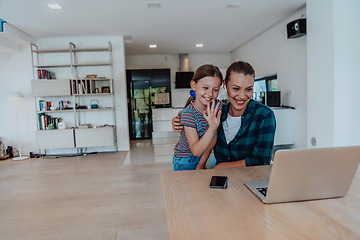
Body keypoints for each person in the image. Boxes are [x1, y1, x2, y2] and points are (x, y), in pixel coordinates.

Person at [172, 61, 276, 169]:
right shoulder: (219, 112)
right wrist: (178, 120)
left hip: (249, 175)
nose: (242, 96)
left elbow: (261, 160)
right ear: (225, 85)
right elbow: (204, 132)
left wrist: (220, 167)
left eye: (249, 89)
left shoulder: (264, 115)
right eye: (236, 88)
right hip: (211, 172)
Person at [172, 64, 223, 171]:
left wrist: (201, 163)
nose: (210, 94)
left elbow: (213, 138)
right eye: (205, 88)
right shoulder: (189, 114)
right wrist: (212, 128)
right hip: (185, 160)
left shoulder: (216, 106)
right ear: (194, 86)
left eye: (215, 89)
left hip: (203, 156)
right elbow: (196, 151)